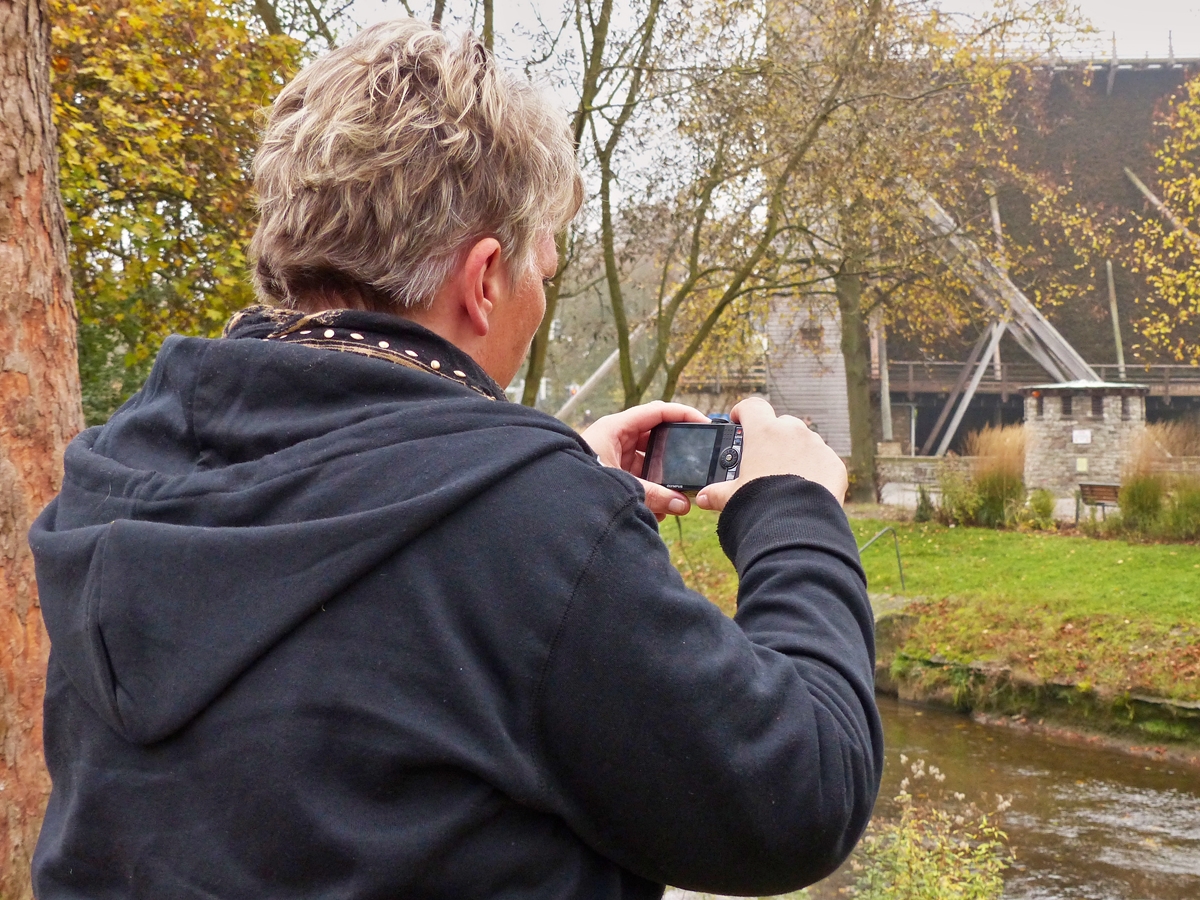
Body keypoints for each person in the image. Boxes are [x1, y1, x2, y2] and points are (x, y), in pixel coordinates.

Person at [29, 19, 881, 900]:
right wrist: (793, 510)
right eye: (541, 262)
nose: (542, 283)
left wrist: (534, 483)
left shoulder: (130, 469)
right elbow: (800, 794)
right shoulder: (524, 533)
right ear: (482, 281)